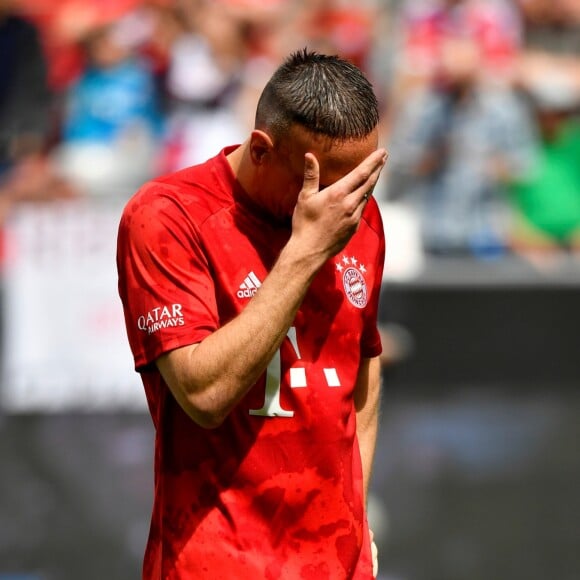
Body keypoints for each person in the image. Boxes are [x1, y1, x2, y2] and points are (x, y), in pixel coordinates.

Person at [117, 49, 387, 579]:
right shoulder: (168, 217)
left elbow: (361, 370)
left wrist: (355, 519)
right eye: (326, 184)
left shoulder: (359, 215)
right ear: (262, 149)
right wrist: (306, 253)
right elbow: (203, 394)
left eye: (360, 183)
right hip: (217, 562)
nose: (345, 204)